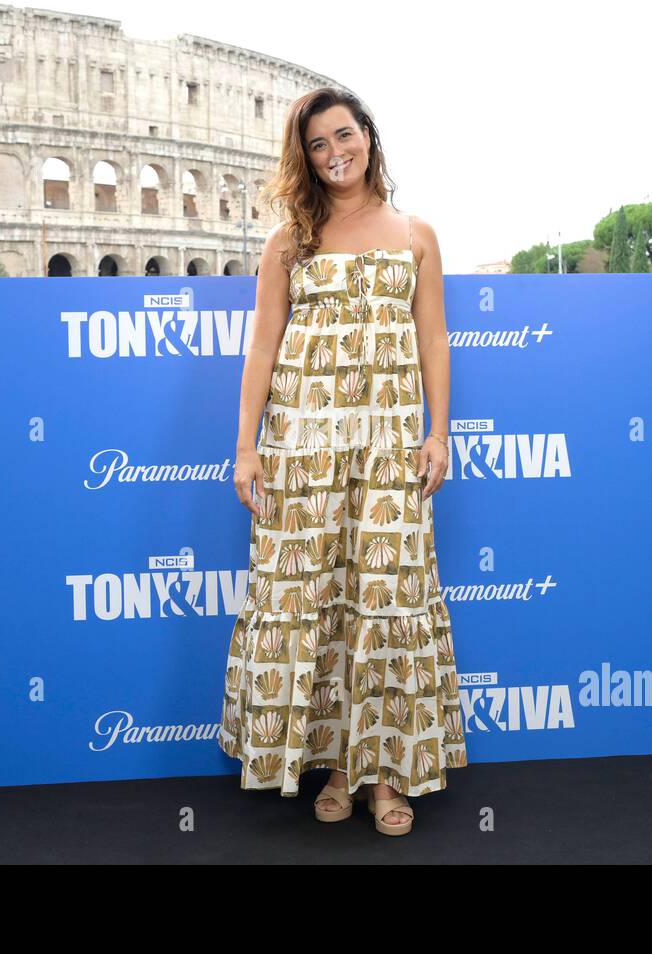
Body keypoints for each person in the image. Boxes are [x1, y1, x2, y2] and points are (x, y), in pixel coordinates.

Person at [216, 87, 466, 836]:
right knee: (313, 604)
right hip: (302, 448)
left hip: (390, 446)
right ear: (304, 156)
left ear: (368, 136)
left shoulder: (416, 234)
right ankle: (332, 766)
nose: (334, 154)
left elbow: (433, 341)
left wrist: (438, 433)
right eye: (318, 145)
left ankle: (388, 775)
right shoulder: (290, 239)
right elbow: (263, 344)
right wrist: (246, 445)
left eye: (343, 136)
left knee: (386, 604)